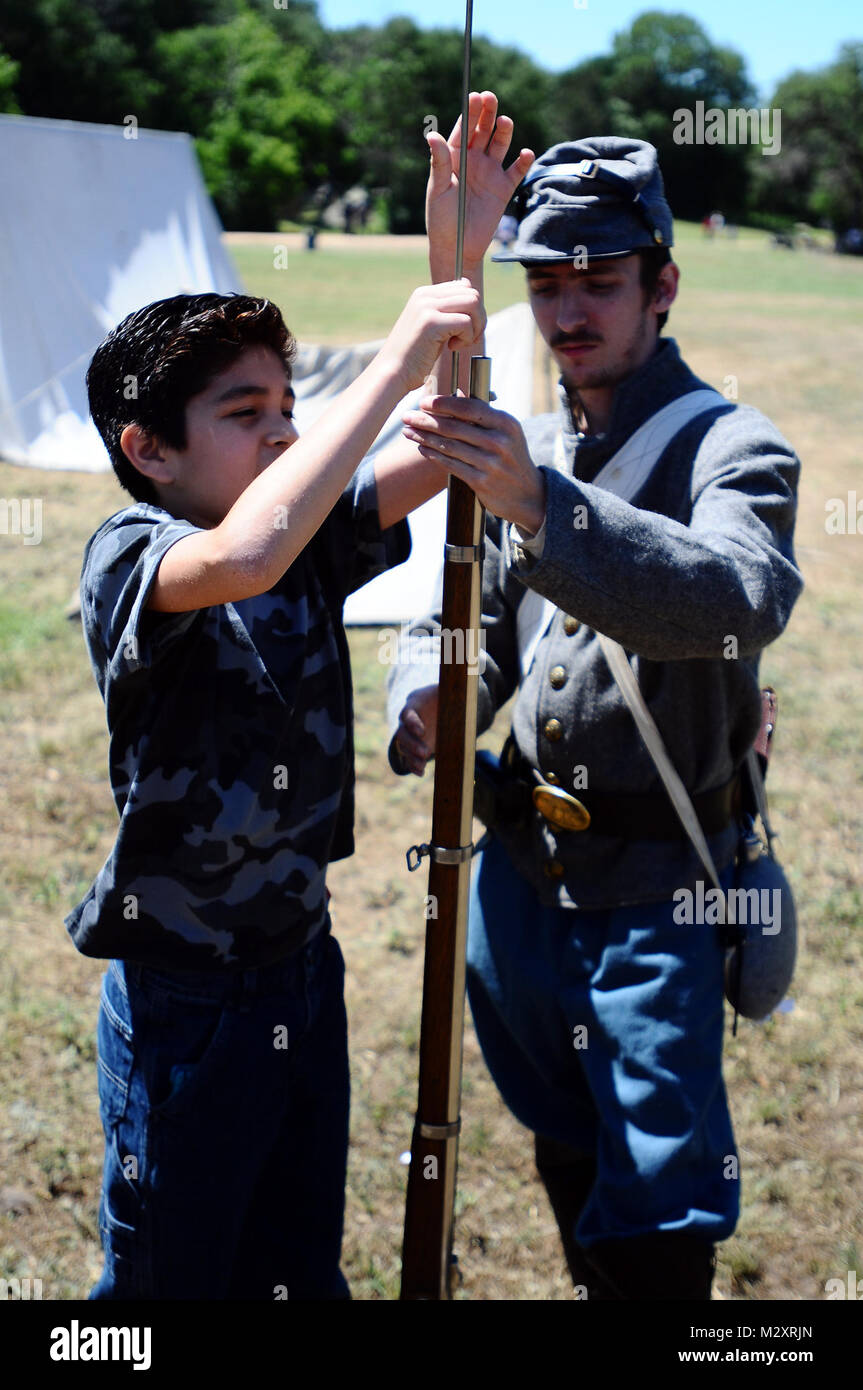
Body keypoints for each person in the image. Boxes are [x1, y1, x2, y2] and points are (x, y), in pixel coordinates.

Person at [67, 92, 533, 1301]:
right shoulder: (135, 553)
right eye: (244, 415)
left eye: (288, 408)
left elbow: (444, 445)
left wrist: (458, 265)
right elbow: (248, 556)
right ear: (147, 448)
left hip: (297, 970)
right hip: (185, 998)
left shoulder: (306, 532)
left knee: (292, 1272)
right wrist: (387, 358)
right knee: (169, 1284)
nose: (282, 435)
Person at [387, 137, 803, 1300]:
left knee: (659, 1198)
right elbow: (468, 615)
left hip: (659, 884)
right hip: (520, 875)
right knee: (561, 1129)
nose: (565, 313)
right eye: (543, 284)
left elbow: (738, 600)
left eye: (598, 282)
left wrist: (539, 503)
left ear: (660, 284)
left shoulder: (732, 445)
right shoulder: (536, 439)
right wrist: (424, 691)